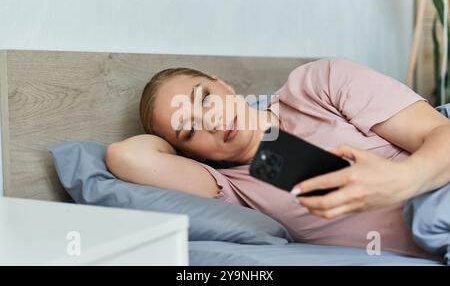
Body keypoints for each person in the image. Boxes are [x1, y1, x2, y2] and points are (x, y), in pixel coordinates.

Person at [106, 58, 450, 260]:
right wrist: (175, 143)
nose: (210, 121)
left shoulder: (316, 86)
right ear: (188, 154)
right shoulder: (233, 187)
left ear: (222, 84)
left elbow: (440, 132)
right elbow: (125, 156)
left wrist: (403, 181)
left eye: (206, 99)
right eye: (190, 130)